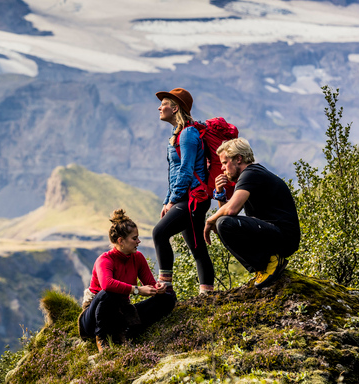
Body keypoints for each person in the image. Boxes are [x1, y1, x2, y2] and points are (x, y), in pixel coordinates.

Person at [203, 137, 300, 288]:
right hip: (276, 235)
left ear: (238, 159)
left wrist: (210, 220)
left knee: (223, 223)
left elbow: (230, 211)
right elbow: (229, 213)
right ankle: (263, 267)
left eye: (224, 162)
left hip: (283, 237)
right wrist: (220, 194)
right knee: (224, 223)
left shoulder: (251, 174)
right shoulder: (251, 175)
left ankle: (270, 263)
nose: (222, 168)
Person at [79, 209, 176, 352]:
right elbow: (107, 284)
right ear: (121, 241)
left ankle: (125, 331)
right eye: (134, 238)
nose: (138, 241)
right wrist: (137, 290)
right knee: (108, 293)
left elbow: (149, 283)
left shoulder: (138, 257)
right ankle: (102, 338)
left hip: (120, 311)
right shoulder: (104, 260)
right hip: (93, 319)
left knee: (167, 298)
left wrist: (158, 287)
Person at [152, 87, 215, 294]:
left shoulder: (187, 134)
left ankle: (166, 289)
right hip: (188, 197)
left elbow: (186, 171)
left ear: (175, 107)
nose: (160, 107)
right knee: (197, 247)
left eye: (164, 104)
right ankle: (207, 293)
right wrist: (167, 200)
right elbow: (174, 172)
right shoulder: (178, 133)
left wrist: (173, 201)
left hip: (193, 198)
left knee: (159, 233)